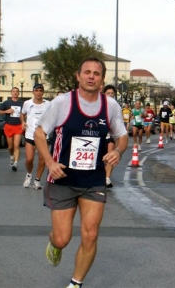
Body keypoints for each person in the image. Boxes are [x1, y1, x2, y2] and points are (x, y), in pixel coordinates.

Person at [34, 57, 128, 288]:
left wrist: (118, 150)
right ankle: (54, 243)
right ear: (78, 76)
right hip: (63, 179)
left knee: (90, 234)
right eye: (86, 72)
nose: (91, 77)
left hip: (93, 180)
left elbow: (122, 136)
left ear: (102, 79)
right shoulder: (62, 102)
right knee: (62, 238)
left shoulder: (110, 106)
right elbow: (39, 133)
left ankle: (76, 283)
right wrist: (50, 163)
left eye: (96, 73)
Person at [20, 83, 51, 189]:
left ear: (43, 92)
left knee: (42, 160)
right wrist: (23, 122)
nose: (38, 93)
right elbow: (22, 113)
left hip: (43, 136)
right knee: (29, 159)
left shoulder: (48, 104)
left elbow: (52, 116)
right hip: (30, 135)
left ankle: (37, 180)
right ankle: (29, 174)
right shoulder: (27, 103)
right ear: (33, 92)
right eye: (36, 90)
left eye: (40, 91)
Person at [0, 86, 24, 171]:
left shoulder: (22, 103)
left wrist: (24, 119)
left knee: (16, 145)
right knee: (10, 146)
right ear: (11, 93)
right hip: (9, 126)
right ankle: (11, 156)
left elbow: (25, 113)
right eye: (13, 91)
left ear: (18, 93)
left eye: (17, 91)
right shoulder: (6, 103)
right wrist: (6, 111)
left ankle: (15, 163)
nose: (15, 93)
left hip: (18, 126)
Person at [103, 85, 117, 188]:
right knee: (102, 158)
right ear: (104, 94)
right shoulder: (99, 105)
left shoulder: (116, 107)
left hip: (110, 135)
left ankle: (107, 178)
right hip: (99, 135)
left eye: (112, 93)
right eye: (108, 93)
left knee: (110, 155)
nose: (110, 95)